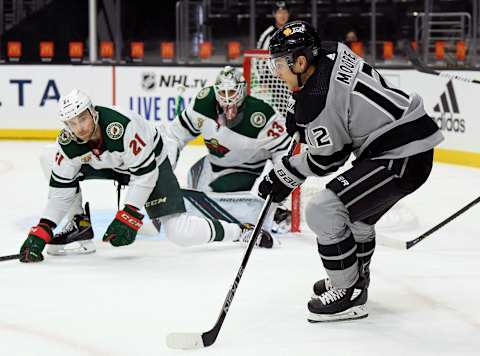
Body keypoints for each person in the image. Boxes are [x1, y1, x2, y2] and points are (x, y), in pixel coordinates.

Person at [259, 21, 444, 322]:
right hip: (406, 143)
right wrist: (301, 113)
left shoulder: (319, 101)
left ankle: (346, 293)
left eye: (280, 63)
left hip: (401, 156)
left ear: (301, 62)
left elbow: (328, 160)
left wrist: (286, 173)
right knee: (357, 215)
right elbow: (335, 106)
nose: (276, 71)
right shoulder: (331, 51)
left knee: (323, 209)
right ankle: (355, 283)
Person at [19, 89, 275, 263]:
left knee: (179, 233)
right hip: (109, 164)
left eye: (83, 119)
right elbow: (61, 191)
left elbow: (144, 174)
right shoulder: (69, 141)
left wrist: (129, 215)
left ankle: (240, 232)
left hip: (151, 165)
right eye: (72, 123)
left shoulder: (123, 127)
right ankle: (80, 225)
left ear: (93, 113)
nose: (80, 128)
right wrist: (44, 229)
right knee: (48, 155)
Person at [166, 66, 291, 232]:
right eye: (222, 93)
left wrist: (279, 187)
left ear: (242, 90)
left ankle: (274, 214)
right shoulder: (203, 103)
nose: (226, 99)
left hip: (245, 170)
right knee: (195, 188)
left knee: (207, 204)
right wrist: (165, 172)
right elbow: (174, 134)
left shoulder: (262, 115)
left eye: (231, 92)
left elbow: (285, 150)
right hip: (209, 164)